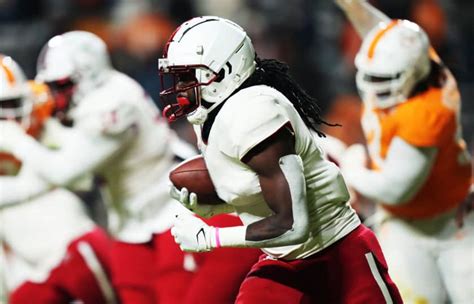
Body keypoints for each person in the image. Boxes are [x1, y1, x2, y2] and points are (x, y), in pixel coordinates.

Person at [0, 32, 259, 304]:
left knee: (175, 296)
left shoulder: (114, 103)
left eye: (62, 85)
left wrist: (16, 140)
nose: (56, 95)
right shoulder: (85, 105)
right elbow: (71, 179)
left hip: (169, 210)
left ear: (89, 74)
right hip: (129, 222)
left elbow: (67, 171)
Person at [159, 16, 402, 303]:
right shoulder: (213, 115)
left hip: (338, 251)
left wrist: (210, 238)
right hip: (284, 261)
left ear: (224, 72)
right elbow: (263, 192)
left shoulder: (255, 113)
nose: (182, 89)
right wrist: (219, 206)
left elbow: (291, 224)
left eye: (188, 77)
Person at [334, 1, 474, 303]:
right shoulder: (412, 61)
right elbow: (380, 31)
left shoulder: (428, 109)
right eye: (370, 75)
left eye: (383, 80)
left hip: (452, 222)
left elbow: (396, 189)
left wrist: (351, 165)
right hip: (402, 223)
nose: (372, 86)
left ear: (412, 74)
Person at [0, 54, 115, 304]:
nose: (7, 120)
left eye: (10, 105)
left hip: (74, 244)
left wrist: (26, 145)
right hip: (32, 270)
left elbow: (82, 173)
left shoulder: (42, 124)